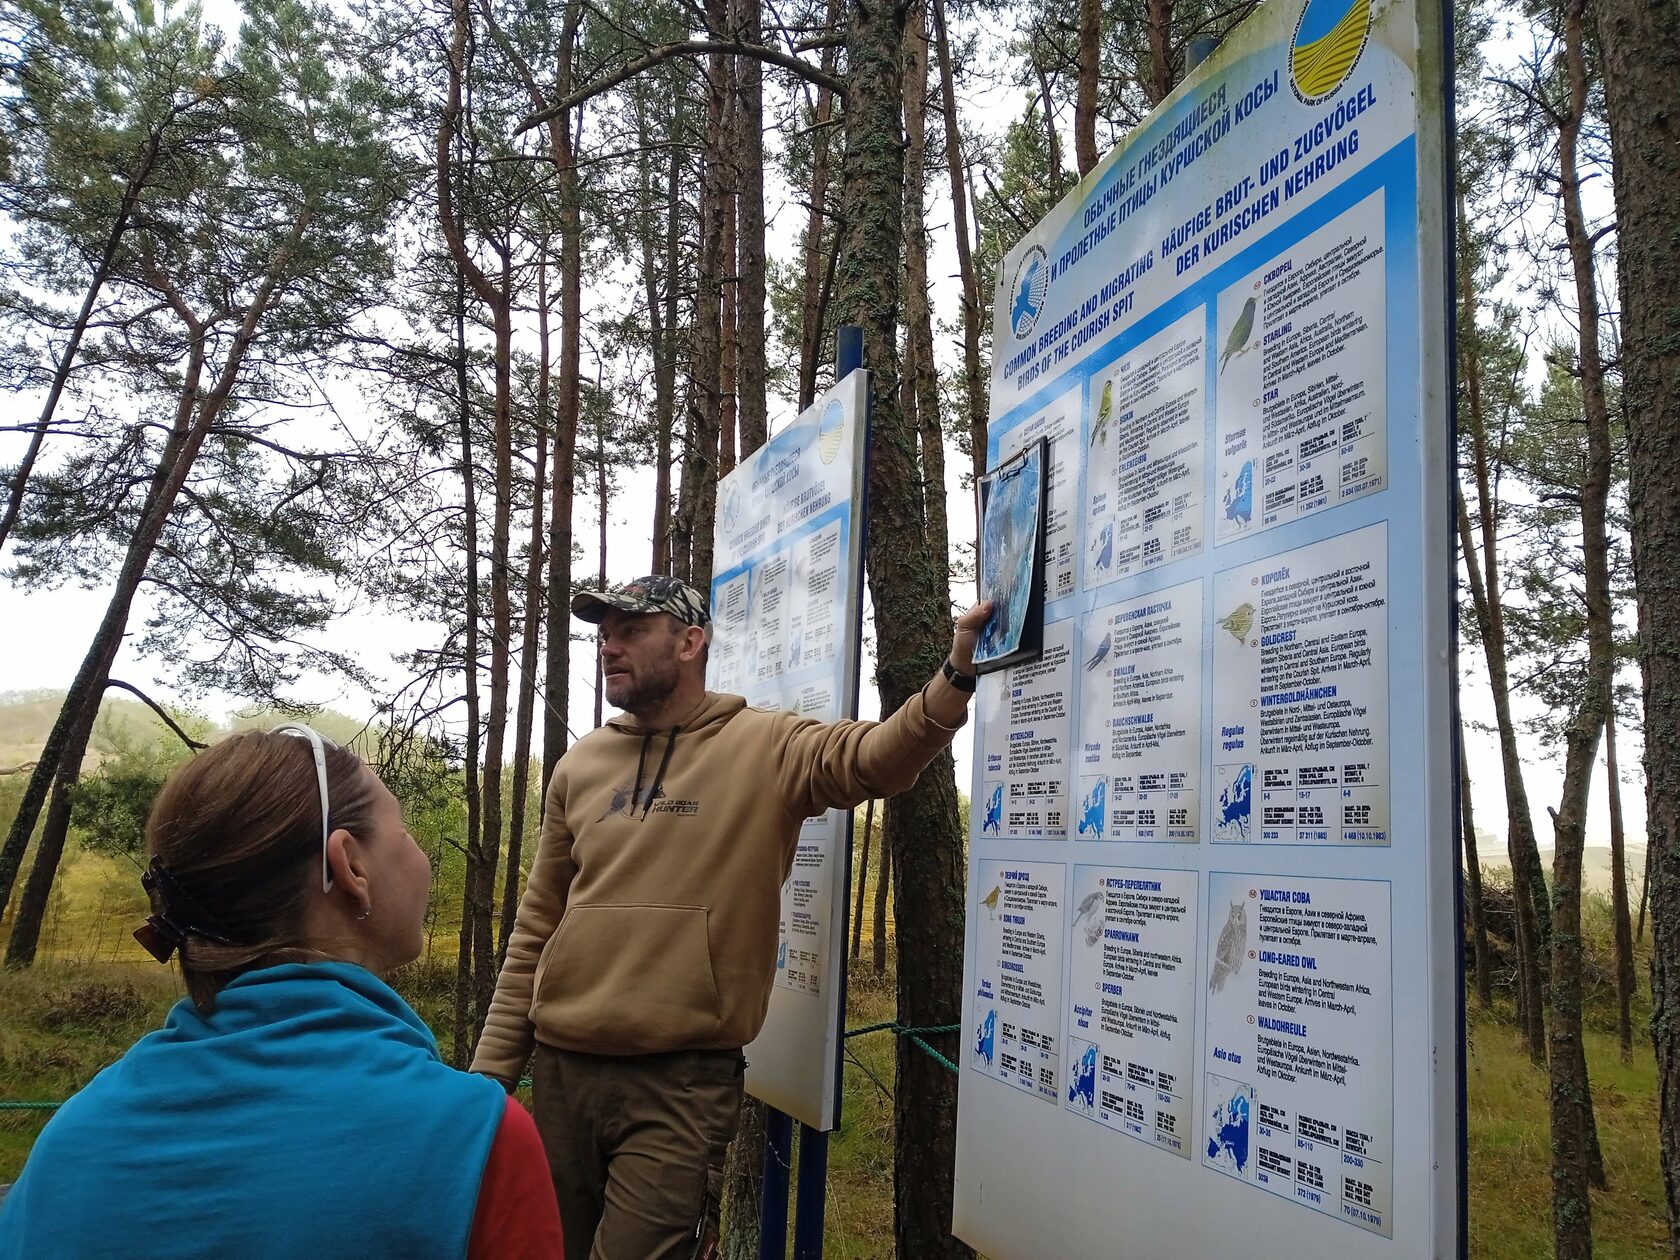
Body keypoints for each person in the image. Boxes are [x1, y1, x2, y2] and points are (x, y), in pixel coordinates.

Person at [473, 574, 991, 1260]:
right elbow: (537, 928)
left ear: (690, 642)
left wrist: (954, 678)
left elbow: (875, 760)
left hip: (680, 1085)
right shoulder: (580, 766)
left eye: (631, 631)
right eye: (605, 634)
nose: (609, 647)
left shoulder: (766, 746)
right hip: (562, 1074)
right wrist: (487, 1083)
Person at [0, 725, 565, 1260]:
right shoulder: (476, 1142)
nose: (424, 860)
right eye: (405, 832)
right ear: (349, 866)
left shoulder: (70, 1139)